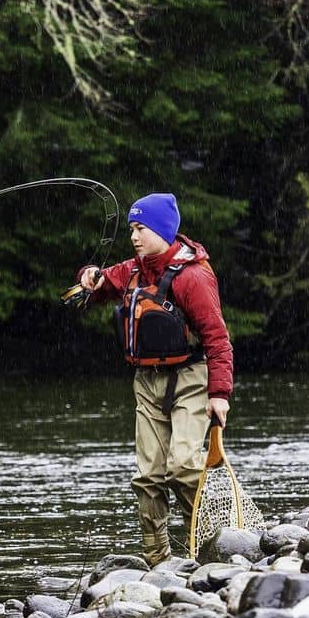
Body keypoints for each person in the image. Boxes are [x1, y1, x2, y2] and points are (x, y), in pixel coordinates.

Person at [76, 192, 233, 566]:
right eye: (131, 228)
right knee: (148, 476)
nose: (134, 236)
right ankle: (157, 560)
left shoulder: (194, 277)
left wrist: (220, 394)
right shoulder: (132, 269)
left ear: (163, 229)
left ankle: (211, 543)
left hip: (191, 378)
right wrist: (87, 279)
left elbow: (217, 337)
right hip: (147, 382)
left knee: (182, 467)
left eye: (141, 228)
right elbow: (99, 289)